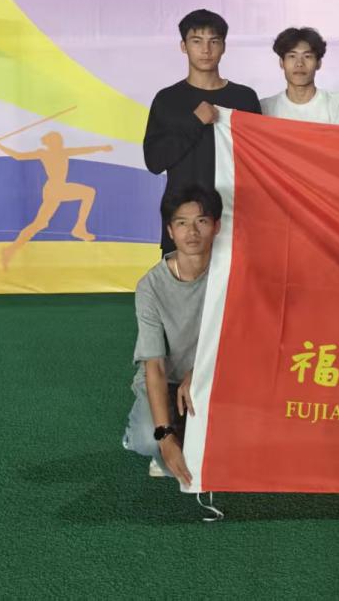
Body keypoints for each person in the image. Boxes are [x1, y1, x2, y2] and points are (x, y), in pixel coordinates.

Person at [122, 184, 222, 486]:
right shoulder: (150, 286)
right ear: (170, 231)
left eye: (201, 221)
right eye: (182, 223)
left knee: (226, 443)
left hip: (214, 375)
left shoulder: (230, 273)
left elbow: (246, 337)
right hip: (166, 381)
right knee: (148, 438)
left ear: (217, 226)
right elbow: (154, 365)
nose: (192, 232)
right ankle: (143, 437)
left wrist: (200, 371)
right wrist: (165, 438)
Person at [142, 9, 260, 255]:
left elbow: (259, 160)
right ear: (183, 46)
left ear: (224, 46)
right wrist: (195, 121)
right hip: (185, 219)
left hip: (237, 215)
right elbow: (154, 162)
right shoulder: (167, 99)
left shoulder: (244, 98)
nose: (206, 50)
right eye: (197, 41)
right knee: (181, 279)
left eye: (213, 41)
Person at [0, 131, 113, 270]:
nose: (61, 142)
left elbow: (84, 150)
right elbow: (19, 156)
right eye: (58, 140)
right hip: (56, 188)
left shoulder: (60, 152)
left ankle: (10, 250)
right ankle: (79, 228)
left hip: (53, 189)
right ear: (52, 142)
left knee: (39, 223)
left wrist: (101, 148)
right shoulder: (48, 153)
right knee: (89, 192)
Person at [261, 26, 339, 125]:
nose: (299, 63)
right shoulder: (265, 109)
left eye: (307, 56)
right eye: (292, 56)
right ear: (281, 63)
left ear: (318, 63)